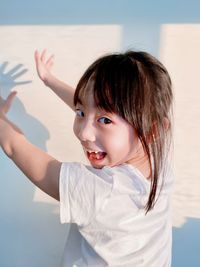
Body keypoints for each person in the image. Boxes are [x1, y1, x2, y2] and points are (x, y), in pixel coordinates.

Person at [0, 49, 174, 267]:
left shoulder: (101, 189)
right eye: (80, 113)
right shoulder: (159, 157)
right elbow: (95, 105)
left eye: (104, 121)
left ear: (151, 130)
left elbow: (14, 147)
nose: (83, 133)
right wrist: (50, 81)